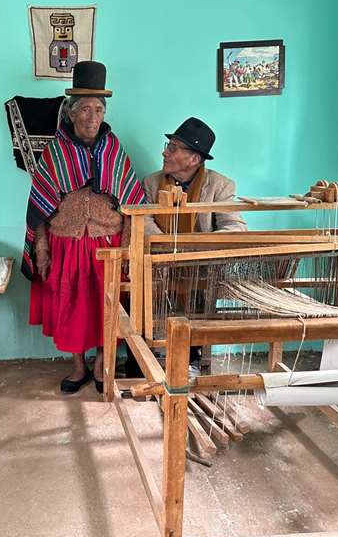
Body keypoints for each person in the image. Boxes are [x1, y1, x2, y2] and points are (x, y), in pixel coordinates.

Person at [22, 61, 146, 394]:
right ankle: (78, 366)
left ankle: (102, 363)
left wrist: (129, 249)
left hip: (107, 244)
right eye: (86, 109)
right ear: (72, 114)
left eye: (99, 109)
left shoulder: (114, 149)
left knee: (107, 307)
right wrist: (42, 247)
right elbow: (41, 208)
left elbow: (133, 205)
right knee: (71, 308)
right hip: (66, 243)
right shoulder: (54, 152)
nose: (93, 117)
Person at [124, 117, 247, 378]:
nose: (164, 152)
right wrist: (168, 249)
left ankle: (188, 360)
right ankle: (141, 362)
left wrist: (196, 251)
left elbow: (235, 226)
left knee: (194, 302)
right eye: (168, 145)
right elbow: (143, 221)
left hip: (197, 272)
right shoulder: (151, 183)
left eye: (173, 148)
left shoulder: (221, 186)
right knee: (142, 298)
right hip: (158, 265)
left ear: (194, 159)